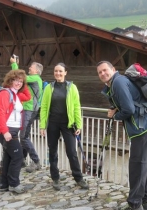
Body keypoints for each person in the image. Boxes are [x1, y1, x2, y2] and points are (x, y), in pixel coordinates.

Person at [96, 61, 147, 210]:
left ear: (113, 69)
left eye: (105, 70)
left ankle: (135, 204)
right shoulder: (117, 83)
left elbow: (129, 110)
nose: (102, 74)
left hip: (143, 129)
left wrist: (115, 115)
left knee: (138, 166)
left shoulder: (118, 82)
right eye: (99, 72)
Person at [39, 62, 89, 190]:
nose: (58, 73)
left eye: (60, 71)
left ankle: (79, 178)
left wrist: (79, 125)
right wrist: (42, 125)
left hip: (68, 124)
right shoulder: (48, 88)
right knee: (53, 151)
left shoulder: (72, 87)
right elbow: (44, 107)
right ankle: (55, 178)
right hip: (53, 124)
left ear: (65, 73)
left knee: (72, 151)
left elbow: (77, 107)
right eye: (56, 71)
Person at [0, 69, 31, 193]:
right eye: (16, 80)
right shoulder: (5, 93)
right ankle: (14, 184)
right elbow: (0, 113)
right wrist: (5, 131)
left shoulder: (16, 94)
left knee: (9, 156)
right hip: (6, 130)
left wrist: (22, 84)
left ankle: (3, 184)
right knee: (18, 156)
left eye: (21, 81)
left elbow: (28, 96)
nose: (18, 83)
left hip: (12, 130)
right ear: (10, 80)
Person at [10, 56, 43, 173]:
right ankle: (23, 160)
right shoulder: (35, 79)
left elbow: (20, 77)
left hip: (29, 110)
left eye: (31, 67)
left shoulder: (35, 78)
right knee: (25, 136)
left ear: (37, 71)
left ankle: (36, 161)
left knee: (23, 137)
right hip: (30, 110)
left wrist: (14, 64)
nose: (29, 68)